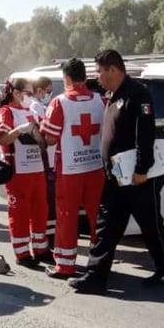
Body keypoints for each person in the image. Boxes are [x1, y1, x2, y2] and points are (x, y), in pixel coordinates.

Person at [69, 50, 164, 294]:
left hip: (138, 177)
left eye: (99, 71)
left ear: (113, 70)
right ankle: (95, 277)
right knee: (106, 226)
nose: (97, 77)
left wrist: (142, 169)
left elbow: (145, 133)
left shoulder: (138, 95)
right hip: (116, 176)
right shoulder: (112, 95)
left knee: (151, 226)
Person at [40, 58, 106, 279]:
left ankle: (65, 266)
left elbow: (49, 138)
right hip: (96, 167)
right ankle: (101, 264)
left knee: (66, 216)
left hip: (70, 170)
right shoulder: (100, 100)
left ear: (66, 78)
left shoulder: (60, 102)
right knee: (97, 216)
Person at [0, 78, 54, 268]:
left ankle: (41, 249)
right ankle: (22, 253)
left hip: (36, 169)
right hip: (18, 172)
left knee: (40, 211)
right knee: (20, 213)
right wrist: (19, 130)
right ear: (16, 93)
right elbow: (2, 138)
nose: (32, 97)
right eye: (28, 93)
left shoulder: (29, 111)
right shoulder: (6, 112)